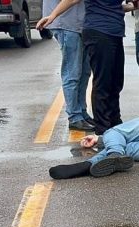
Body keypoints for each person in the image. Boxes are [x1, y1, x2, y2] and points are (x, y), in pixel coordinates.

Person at [38, 0, 139, 136]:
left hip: (115, 32)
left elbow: (112, 6)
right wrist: (52, 15)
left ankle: (115, 123)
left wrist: (134, 6)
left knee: (115, 82)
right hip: (99, 31)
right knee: (102, 82)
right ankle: (103, 129)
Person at [41, 0, 95, 131]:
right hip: (66, 24)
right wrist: (53, 16)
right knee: (73, 73)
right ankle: (74, 117)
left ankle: (82, 112)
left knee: (84, 73)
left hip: (77, 24)